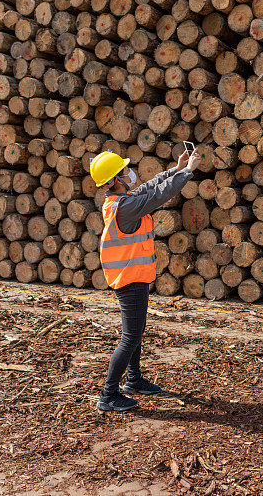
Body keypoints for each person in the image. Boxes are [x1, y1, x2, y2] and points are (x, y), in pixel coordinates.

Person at [89, 148, 201, 412]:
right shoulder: (126, 206)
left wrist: (177, 168)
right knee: (131, 336)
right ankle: (108, 395)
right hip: (129, 278)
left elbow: (151, 186)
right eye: (125, 171)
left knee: (135, 332)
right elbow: (159, 195)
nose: (130, 173)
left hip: (131, 275)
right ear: (116, 179)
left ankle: (134, 380)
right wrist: (188, 172)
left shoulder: (122, 199)